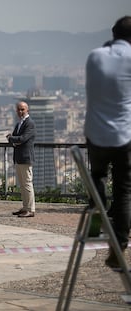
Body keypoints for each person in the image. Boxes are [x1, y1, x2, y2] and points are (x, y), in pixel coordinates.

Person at [84, 16, 131, 268]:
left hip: (96, 134)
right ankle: (119, 245)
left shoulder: (95, 56)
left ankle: (94, 228)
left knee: (97, 178)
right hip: (124, 136)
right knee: (123, 190)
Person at [6, 101, 36, 218]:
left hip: (26, 157)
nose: (20, 111)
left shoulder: (30, 123)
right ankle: (25, 207)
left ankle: (30, 209)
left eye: (22, 109)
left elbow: (22, 138)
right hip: (18, 157)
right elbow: (16, 139)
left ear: (27, 110)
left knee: (27, 183)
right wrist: (13, 139)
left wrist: (11, 138)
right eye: (18, 109)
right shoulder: (19, 123)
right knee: (22, 184)